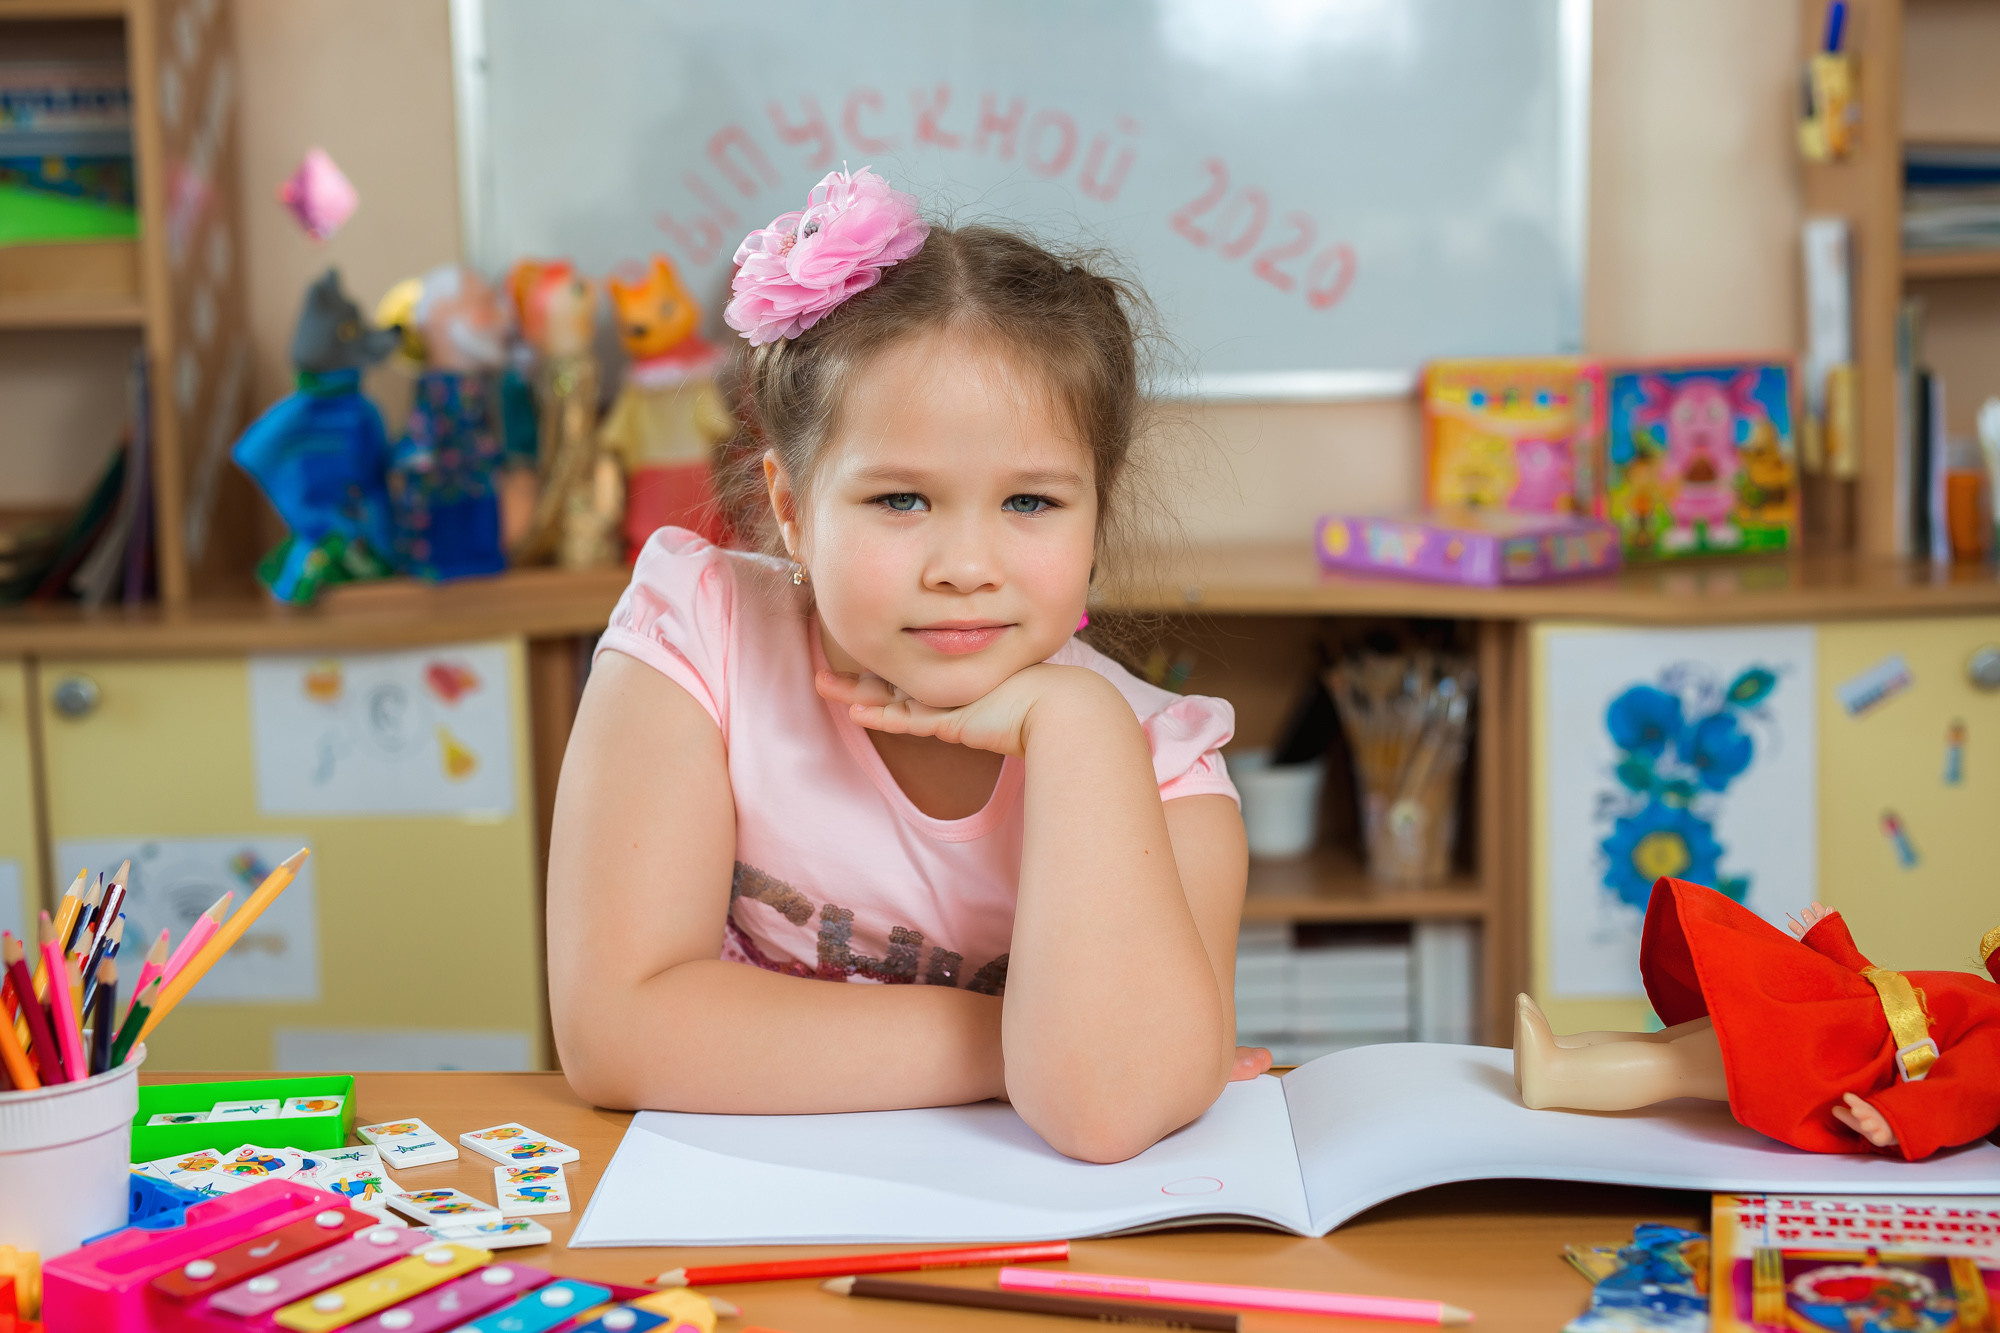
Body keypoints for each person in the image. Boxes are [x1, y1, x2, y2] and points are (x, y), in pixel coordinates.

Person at [546, 167, 1268, 1163]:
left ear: (1095, 511)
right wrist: (1024, 1042)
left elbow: (1105, 1107)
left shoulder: (1163, 768)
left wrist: (1077, 726)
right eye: (899, 501)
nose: (965, 569)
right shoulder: (696, 632)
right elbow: (613, 1035)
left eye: (1030, 504)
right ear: (791, 509)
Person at [1514, 876, 2000, 1162]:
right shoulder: (1982, 999)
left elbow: (1965, 1095)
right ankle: (1564, 1048)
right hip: (1840, 1014)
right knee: (1680, 1041)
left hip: (1839, 1053)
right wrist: (1834, 943)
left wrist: (1897, 1119)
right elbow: (1896, 994)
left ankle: (1557, 1076)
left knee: (1687, 1061)